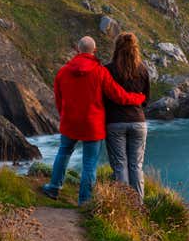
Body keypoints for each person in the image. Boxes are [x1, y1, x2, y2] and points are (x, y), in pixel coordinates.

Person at [43, 36, 146, 204]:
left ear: (77, 50)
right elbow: (118, 96)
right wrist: (138, 98)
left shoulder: (63, 72)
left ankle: (54, 187)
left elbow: (58, 100)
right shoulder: (100, 72)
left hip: (70, 122)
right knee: (89, 162)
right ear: (94, 51)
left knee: (63, 152)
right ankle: (84, 200)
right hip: (93, 125)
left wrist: (64, 116)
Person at [104, 32, 150, 203]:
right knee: (136, 166)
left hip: (115, 122)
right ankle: (138, 205)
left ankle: (125, 206)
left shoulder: (108, 70)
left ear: (117, 48)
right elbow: (146, 98)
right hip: (138, 121)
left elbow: (102, 97)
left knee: (120, 165)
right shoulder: (142, 69)